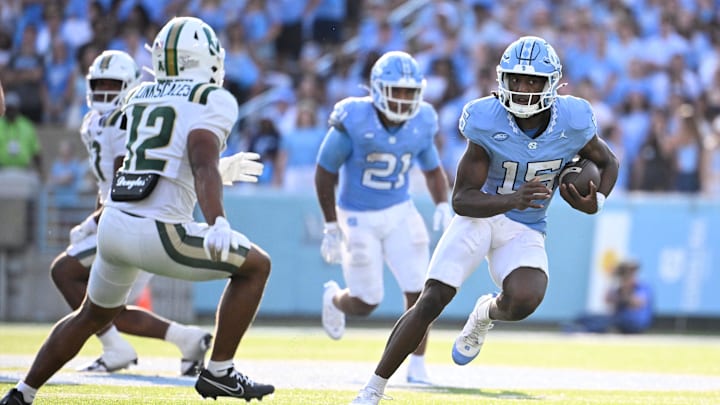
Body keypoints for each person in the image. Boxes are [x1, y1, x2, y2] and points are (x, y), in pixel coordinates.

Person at [1, 16, 274, 405]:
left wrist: (218, 169)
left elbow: (158, 157)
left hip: (114, 226)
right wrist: (217, 220)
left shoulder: (139, 95)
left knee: (90, 316)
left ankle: (21, 393)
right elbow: (200, 160)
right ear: (206, 60)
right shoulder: (211, 98)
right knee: (256, 267)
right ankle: (219, 372)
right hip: (160, 231)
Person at [350, 36, 619, 404]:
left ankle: (484, 314)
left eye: (533, 81)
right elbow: (461, 199)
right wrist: (512, 198)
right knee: (432, 299)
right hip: (481, 217)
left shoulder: (572, 120)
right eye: (516, 80)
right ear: (502, 79)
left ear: (551, 84)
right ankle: (373, 389)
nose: (523, 89)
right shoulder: (485, 118)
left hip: (525, 225)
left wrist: (597, 201)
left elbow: (609, 162)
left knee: (525, 299)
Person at [49, 49, 212, 376]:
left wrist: (93, 221)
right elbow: (106, 183)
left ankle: (114, 348)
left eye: (114, 84)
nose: (105, 92)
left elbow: (126, 176)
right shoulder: (93, 121)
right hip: (119, 213)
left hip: (132, 217)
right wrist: (96, 215)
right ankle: (187, 339)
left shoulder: (128, 118)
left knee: (65, 272)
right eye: (100, 84)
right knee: (106, 307)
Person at [315, 50, 452, 385]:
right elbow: (324, 172)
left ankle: (417, 365)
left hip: (400, 210)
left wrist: (442, 204)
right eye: (397, 90)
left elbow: (433, 169)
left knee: (420, 290)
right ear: (377, 89)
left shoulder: (422, 121)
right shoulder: (354, 118)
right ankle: (334, 298)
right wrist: (331, 224)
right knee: (365, 301)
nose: (404, 99)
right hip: (357, 215)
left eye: (410, 91)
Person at [568, 260, 653, 334]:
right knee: (585, 317)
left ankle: (582, 330)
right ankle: (576, 328)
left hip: (634, 323)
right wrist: (612, 280)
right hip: (618, 321)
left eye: (629, 274)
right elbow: (607, 299)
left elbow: (638, 303)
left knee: (605, 323)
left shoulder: (642, 287)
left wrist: (626, 290)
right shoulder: (619, 289)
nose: (626, 277)